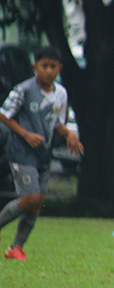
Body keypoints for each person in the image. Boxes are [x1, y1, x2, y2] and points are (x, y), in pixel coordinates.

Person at [0, 47, 83, 260]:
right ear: (35, 67)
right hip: (21, 151)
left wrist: (69, 134)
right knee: (31, 197)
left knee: (38, 201)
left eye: (53, 67)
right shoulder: (24, 90)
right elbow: (4, 114)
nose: (48, 71)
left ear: (59, 68)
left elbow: (57, 123)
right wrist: (26, 134)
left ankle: (16, 247)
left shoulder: (60, 94)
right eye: (44, 66)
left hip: (42, 154)